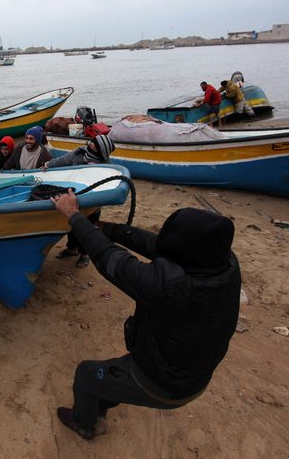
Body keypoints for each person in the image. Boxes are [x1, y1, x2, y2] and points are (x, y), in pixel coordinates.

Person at [51, 194, 240, 441]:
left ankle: (83, 423)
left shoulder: (170, 286)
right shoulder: (224, 263)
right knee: (111, 375)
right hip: (194, 373)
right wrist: (107, 228)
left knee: (87, 373)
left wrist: (74, 217)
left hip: (164, 384)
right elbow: (157, 245)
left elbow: (110, 258)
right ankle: (102, 402)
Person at [46, 135, 116, 268]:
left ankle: (84, 255)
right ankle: (71, 249)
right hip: (74, 199)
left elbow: (109, 184)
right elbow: (63, 160)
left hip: (92, 204)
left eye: (96, 145)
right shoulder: (79, 153)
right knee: (72, 226)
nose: (92, 144)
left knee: (87, 229)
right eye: (93, 141)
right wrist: (48, 165)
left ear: (102, 151)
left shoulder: (106, 166)